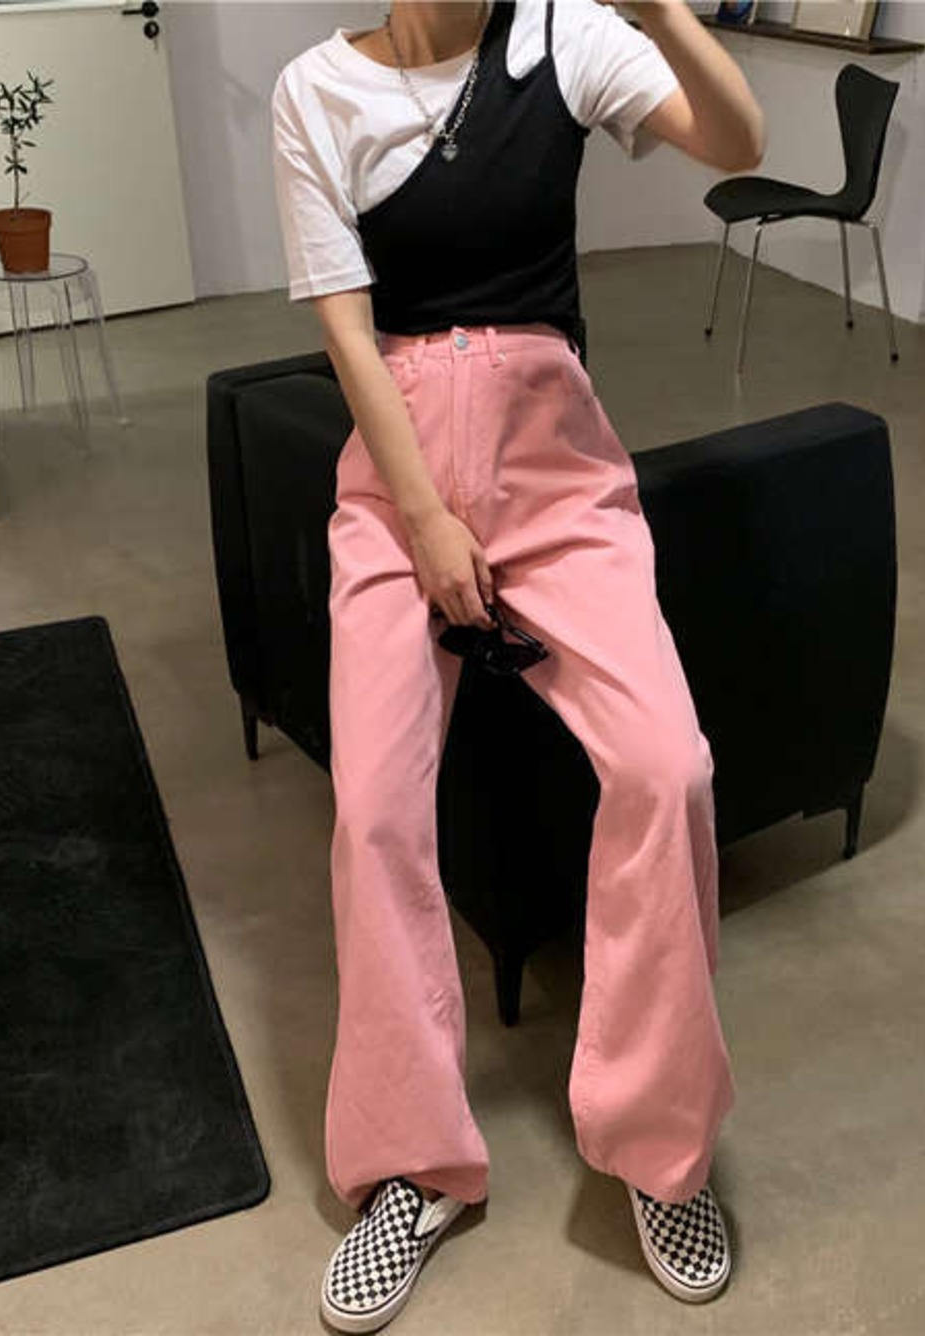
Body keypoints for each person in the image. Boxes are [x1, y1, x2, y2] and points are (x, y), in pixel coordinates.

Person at [270, 1, 764, 1329]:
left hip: (558, 469)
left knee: (666, 767)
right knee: (375, 812)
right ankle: (412, 1165)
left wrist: (664, 11)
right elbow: (346, 329)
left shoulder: (563, 41)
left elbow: (736, 142)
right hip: (395, 479)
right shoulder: (316, 91)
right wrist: (426, 516)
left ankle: (660, 1146)